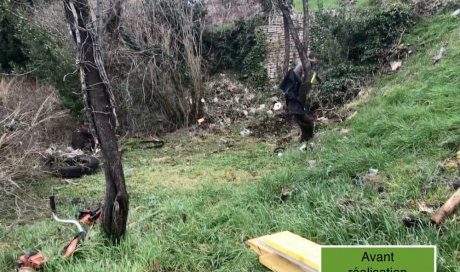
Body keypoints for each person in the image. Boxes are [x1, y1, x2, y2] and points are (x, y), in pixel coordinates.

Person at [279, 60, 316, 142]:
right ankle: (307, 139)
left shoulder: (291, 89)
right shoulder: (293, 89)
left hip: (297, 107)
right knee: (307, 123)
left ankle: (306, 139)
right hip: (297, 108)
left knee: (305, 124)